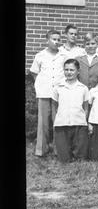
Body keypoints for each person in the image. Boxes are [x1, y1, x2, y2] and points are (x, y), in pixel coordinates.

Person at [30, 29, 65, 157]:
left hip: (58, 93)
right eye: (53, 39)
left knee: (57, 121)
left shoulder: (63, 55)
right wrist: (40, 85)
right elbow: (34, 72)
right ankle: (41, 149)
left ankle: (58, 149)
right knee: (43, 122)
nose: (56, 42)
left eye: (58, 40)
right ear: (47, 40)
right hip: (44, 92)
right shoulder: (40, 55)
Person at [52, 59, 90, 163]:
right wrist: (55, 122)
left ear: (78, 71)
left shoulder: (83, 88)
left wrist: (83, 120)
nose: (69, 72)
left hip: (79, 124)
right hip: (62, 124)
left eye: (72, 70)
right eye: (66, 69)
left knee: (80, 158)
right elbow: (54, 107)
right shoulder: (58, 88)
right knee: (64, 159)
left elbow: (86, 107)